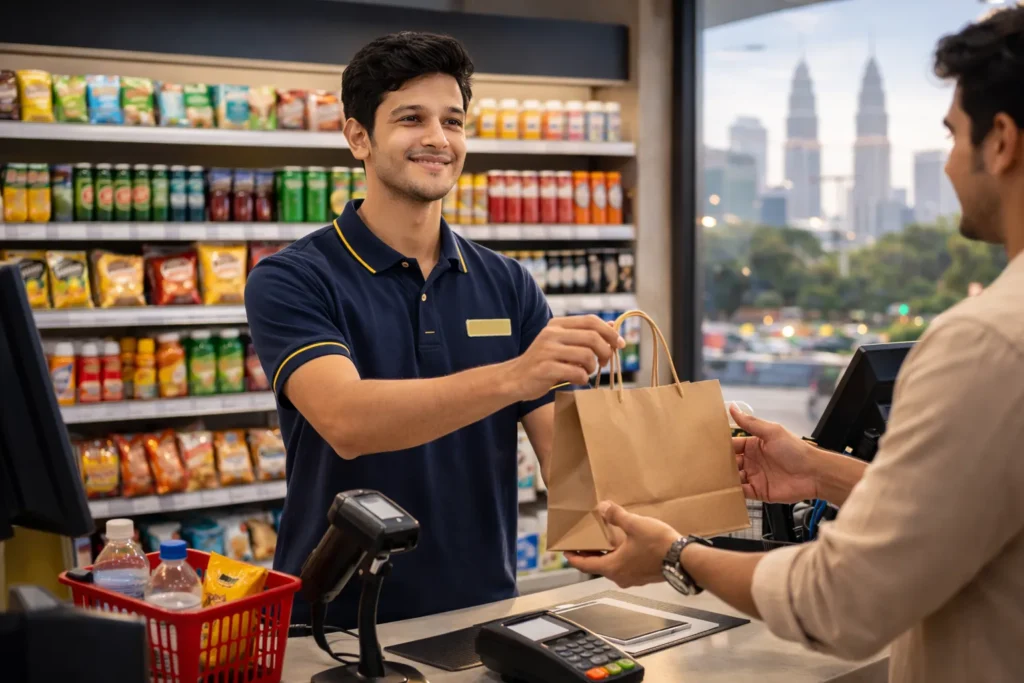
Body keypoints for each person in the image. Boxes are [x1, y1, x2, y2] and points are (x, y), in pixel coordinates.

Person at [567, 6, 1024, 682]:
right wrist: (818, 471)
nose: (953, 163)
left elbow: (843, 602)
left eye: (955, 135)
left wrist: (675, 554)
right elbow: (974, 512)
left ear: (1003, 141)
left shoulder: (985, 343)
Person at [245, 31, 622, 628]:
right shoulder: (292, 278)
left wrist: (672, 476)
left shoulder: (507, 283)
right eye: (411, 118)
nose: (437, 139)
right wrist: (516, 374)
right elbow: (346, 420)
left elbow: (565, 462)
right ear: (358, 137)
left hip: (487, 613)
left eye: (453, 120)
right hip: (339, 626)